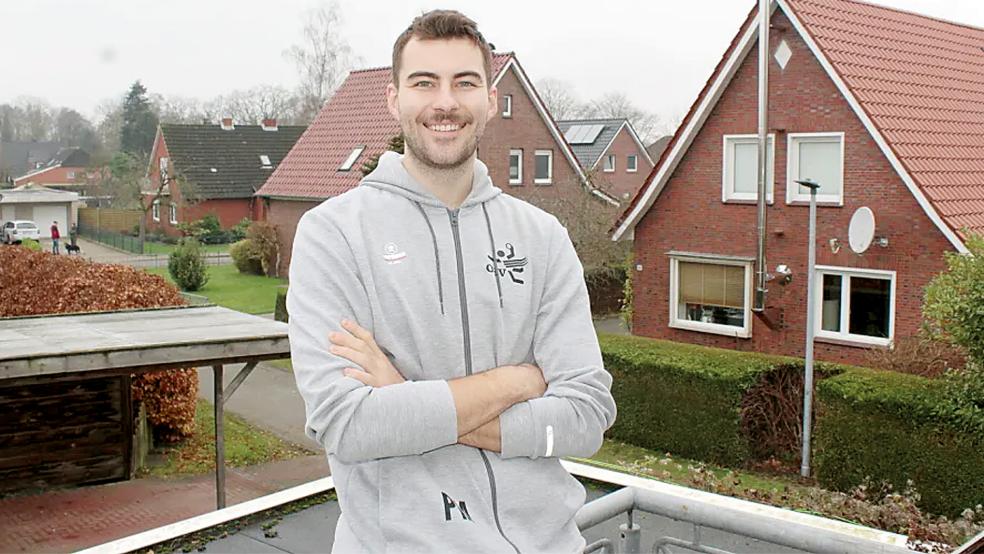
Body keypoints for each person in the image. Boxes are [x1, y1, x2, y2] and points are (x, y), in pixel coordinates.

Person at [288, 10, 616, 553]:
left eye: (465, 83)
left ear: (490, 99)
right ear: (394, 100)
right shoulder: (332, 234)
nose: (445, 102)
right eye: (424, 83)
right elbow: (349, 425)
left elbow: (585, 421)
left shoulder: (543, 236)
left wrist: (404, 399)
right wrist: (518, 381)